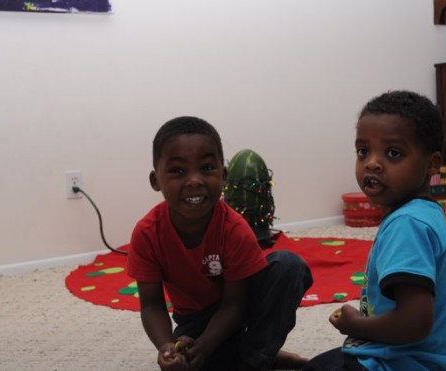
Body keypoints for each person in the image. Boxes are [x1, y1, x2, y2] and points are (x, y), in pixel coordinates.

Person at [126, 116, 313, 371]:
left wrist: (207, 345)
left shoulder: (233, 228)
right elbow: (151, 304)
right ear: (155, 180)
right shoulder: (147, 233)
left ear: (223, 175)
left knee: (289, 266)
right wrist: (166, 347)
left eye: (206, 168)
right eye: (177, 171)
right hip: (196, 320)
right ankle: (267, 355)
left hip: (241, 305)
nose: (194, 180)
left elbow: (234, 304)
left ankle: (255, 360)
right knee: (197, 360)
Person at [304, 90, 446, 370]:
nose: (372, 163)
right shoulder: (421, 213)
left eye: (393, 153)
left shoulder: (407, 225)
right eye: (363, 151)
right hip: (417, 357)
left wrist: (357, 324)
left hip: (404, 363)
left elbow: (414, 323)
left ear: (432, 164)